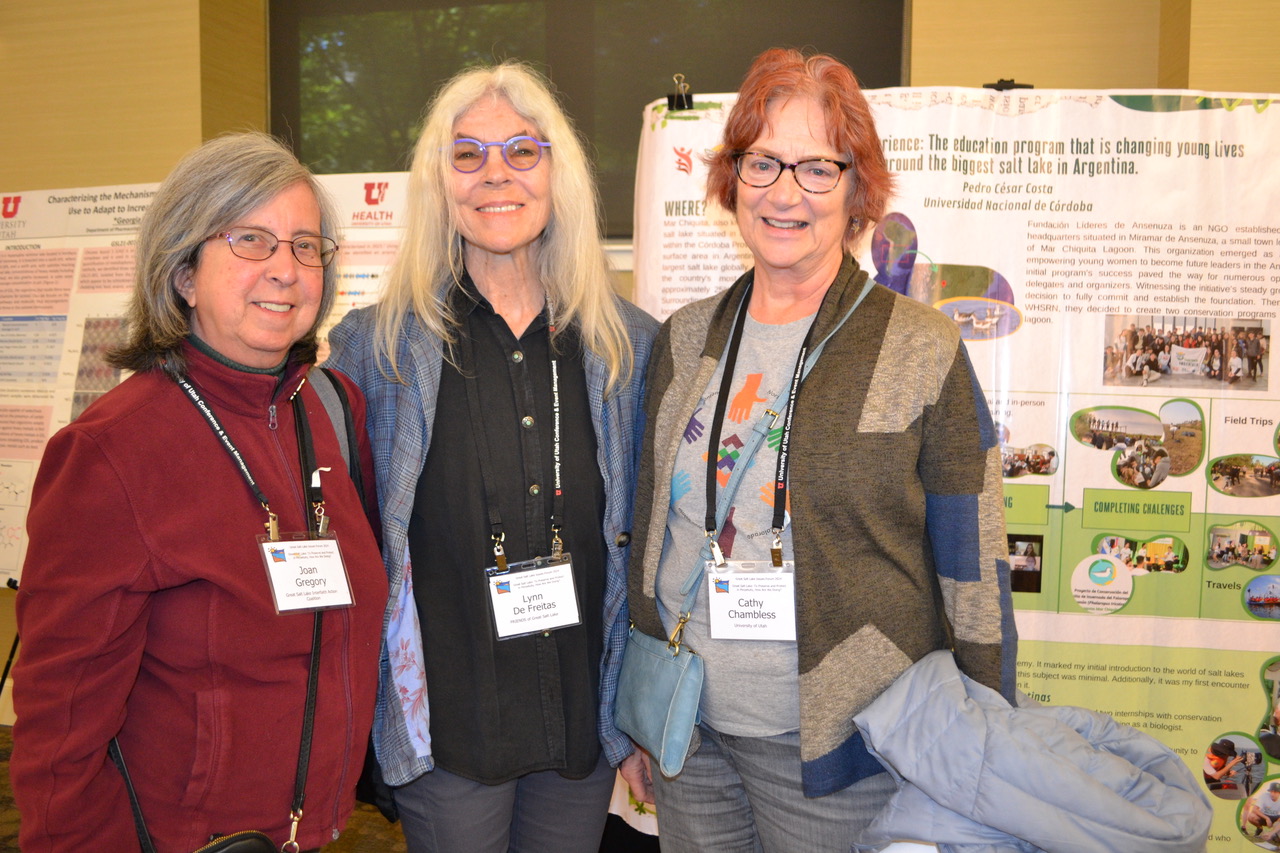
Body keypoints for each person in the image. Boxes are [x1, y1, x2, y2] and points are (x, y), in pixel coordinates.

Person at [626, 48, 1016, 852]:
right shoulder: (686, 338)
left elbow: (972, 569)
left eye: (816, 168)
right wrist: (635, 708)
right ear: (732, 177)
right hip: (687, 736)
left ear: (857, 189)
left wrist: (984, 740)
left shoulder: (920, 347)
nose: (783, 193)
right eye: (763, 162)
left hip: (845, 748)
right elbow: (650, 534)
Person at [11, 132, 387, 851]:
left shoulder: (333, 410)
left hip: (319, 832)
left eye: (305, 245)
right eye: (251, 240)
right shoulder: (112, 451)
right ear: (184, 272)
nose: (286, 269)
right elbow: (60, 725)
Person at [325, 62, 658, 853]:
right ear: (438, 181)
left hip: (581, 721)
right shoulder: (373, 349)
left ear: (558, 172)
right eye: (468, 154)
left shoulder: (628, 346)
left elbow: (649, 544)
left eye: (521, 150)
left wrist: (639, 710)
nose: (495, 174)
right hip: (451, 730)